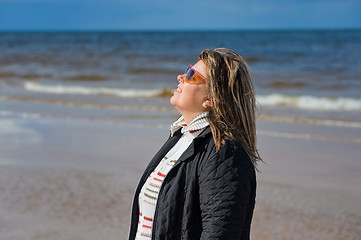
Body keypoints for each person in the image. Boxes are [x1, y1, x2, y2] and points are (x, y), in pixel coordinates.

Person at [128, 48, 261, 240]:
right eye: (187, 69)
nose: (181, 76)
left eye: (192, 75)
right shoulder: (180, 137)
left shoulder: (224, 153)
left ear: (213, 99)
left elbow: (220, 233)